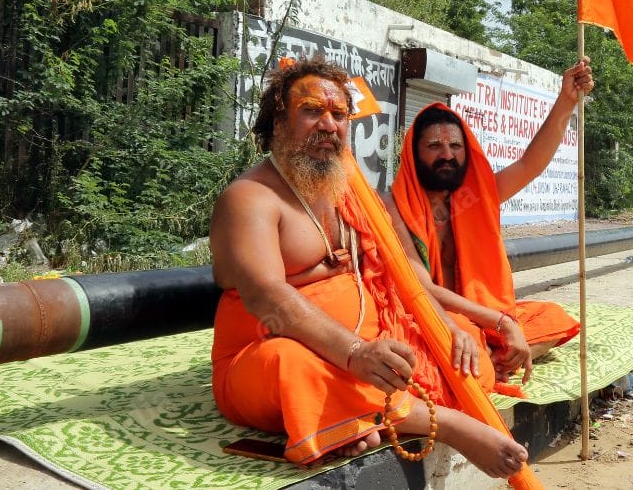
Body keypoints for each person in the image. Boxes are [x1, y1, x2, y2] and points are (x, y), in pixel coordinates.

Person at [208, 56, 527, 477]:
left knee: (462, 349)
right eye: (311, 111)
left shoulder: (348, 192)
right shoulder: (249, 197)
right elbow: (270, 299)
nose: (329, 125)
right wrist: (354, 353)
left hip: (362, 342)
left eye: (339, 115)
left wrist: (449, 325)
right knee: (294, 366)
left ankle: (352, 418)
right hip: (267, 354)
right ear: (278, 122)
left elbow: (401, 275)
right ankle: (443, 423)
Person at [386, 59, 594, 385]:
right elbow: (421, 290)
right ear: (414, 154)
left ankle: (493, 358)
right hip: (432, 316)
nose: (447, 154)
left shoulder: (477, 196)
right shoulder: (394, 206)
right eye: (434, 146)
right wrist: (502, 324)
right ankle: (488, 359)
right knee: (458, 338)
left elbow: (529, 165)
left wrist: (566, 101)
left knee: (553, 318)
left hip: (482, 315)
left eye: (455, 146)